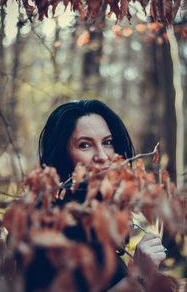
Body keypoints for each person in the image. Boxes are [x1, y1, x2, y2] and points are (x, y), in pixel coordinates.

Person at [38, 99, 166, 291]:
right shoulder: (43, 229)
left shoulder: (99, 222)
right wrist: (138, 275)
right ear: (61, 156)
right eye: (84, 145)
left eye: (107, 142)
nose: (103, 156)